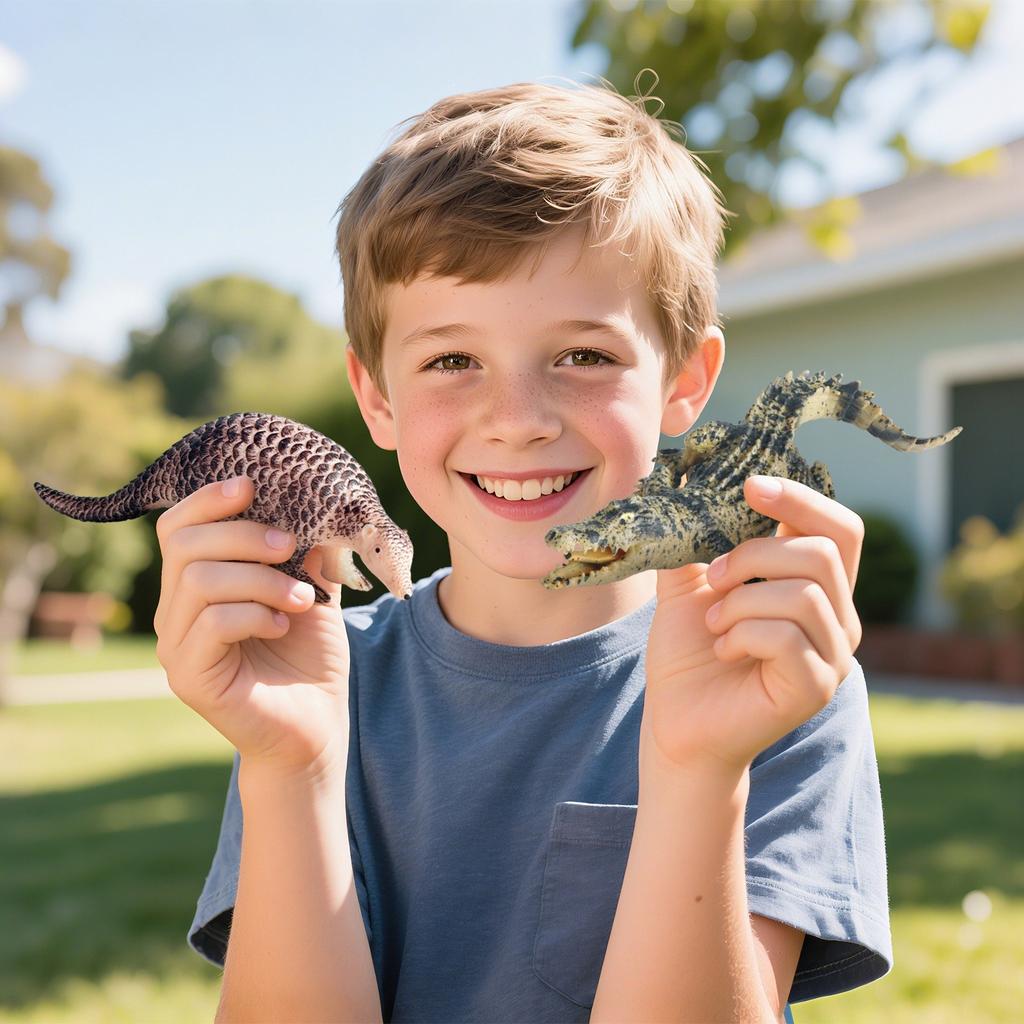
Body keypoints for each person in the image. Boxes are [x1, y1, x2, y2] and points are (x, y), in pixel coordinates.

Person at [162, 77, 893, 1022]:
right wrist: (289, 770)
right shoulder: (316, 679)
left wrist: (697, 770)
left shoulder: (775, 677)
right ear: (375, 395)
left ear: (684, 380)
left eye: (583, 356)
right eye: (451, 361)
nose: (517, 423)